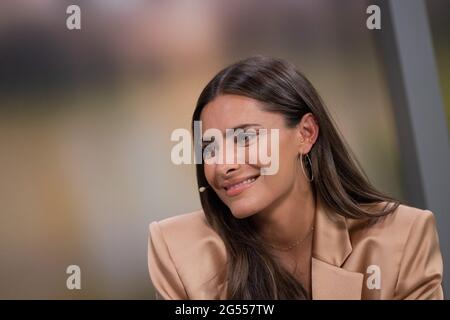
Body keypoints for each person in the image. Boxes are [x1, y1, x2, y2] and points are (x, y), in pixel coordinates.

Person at [148, 56, 443, 300]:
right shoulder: (178, 251)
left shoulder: (402, 237)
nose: (224, 165)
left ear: (306, 134)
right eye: (209, 147)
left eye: (245, 137)